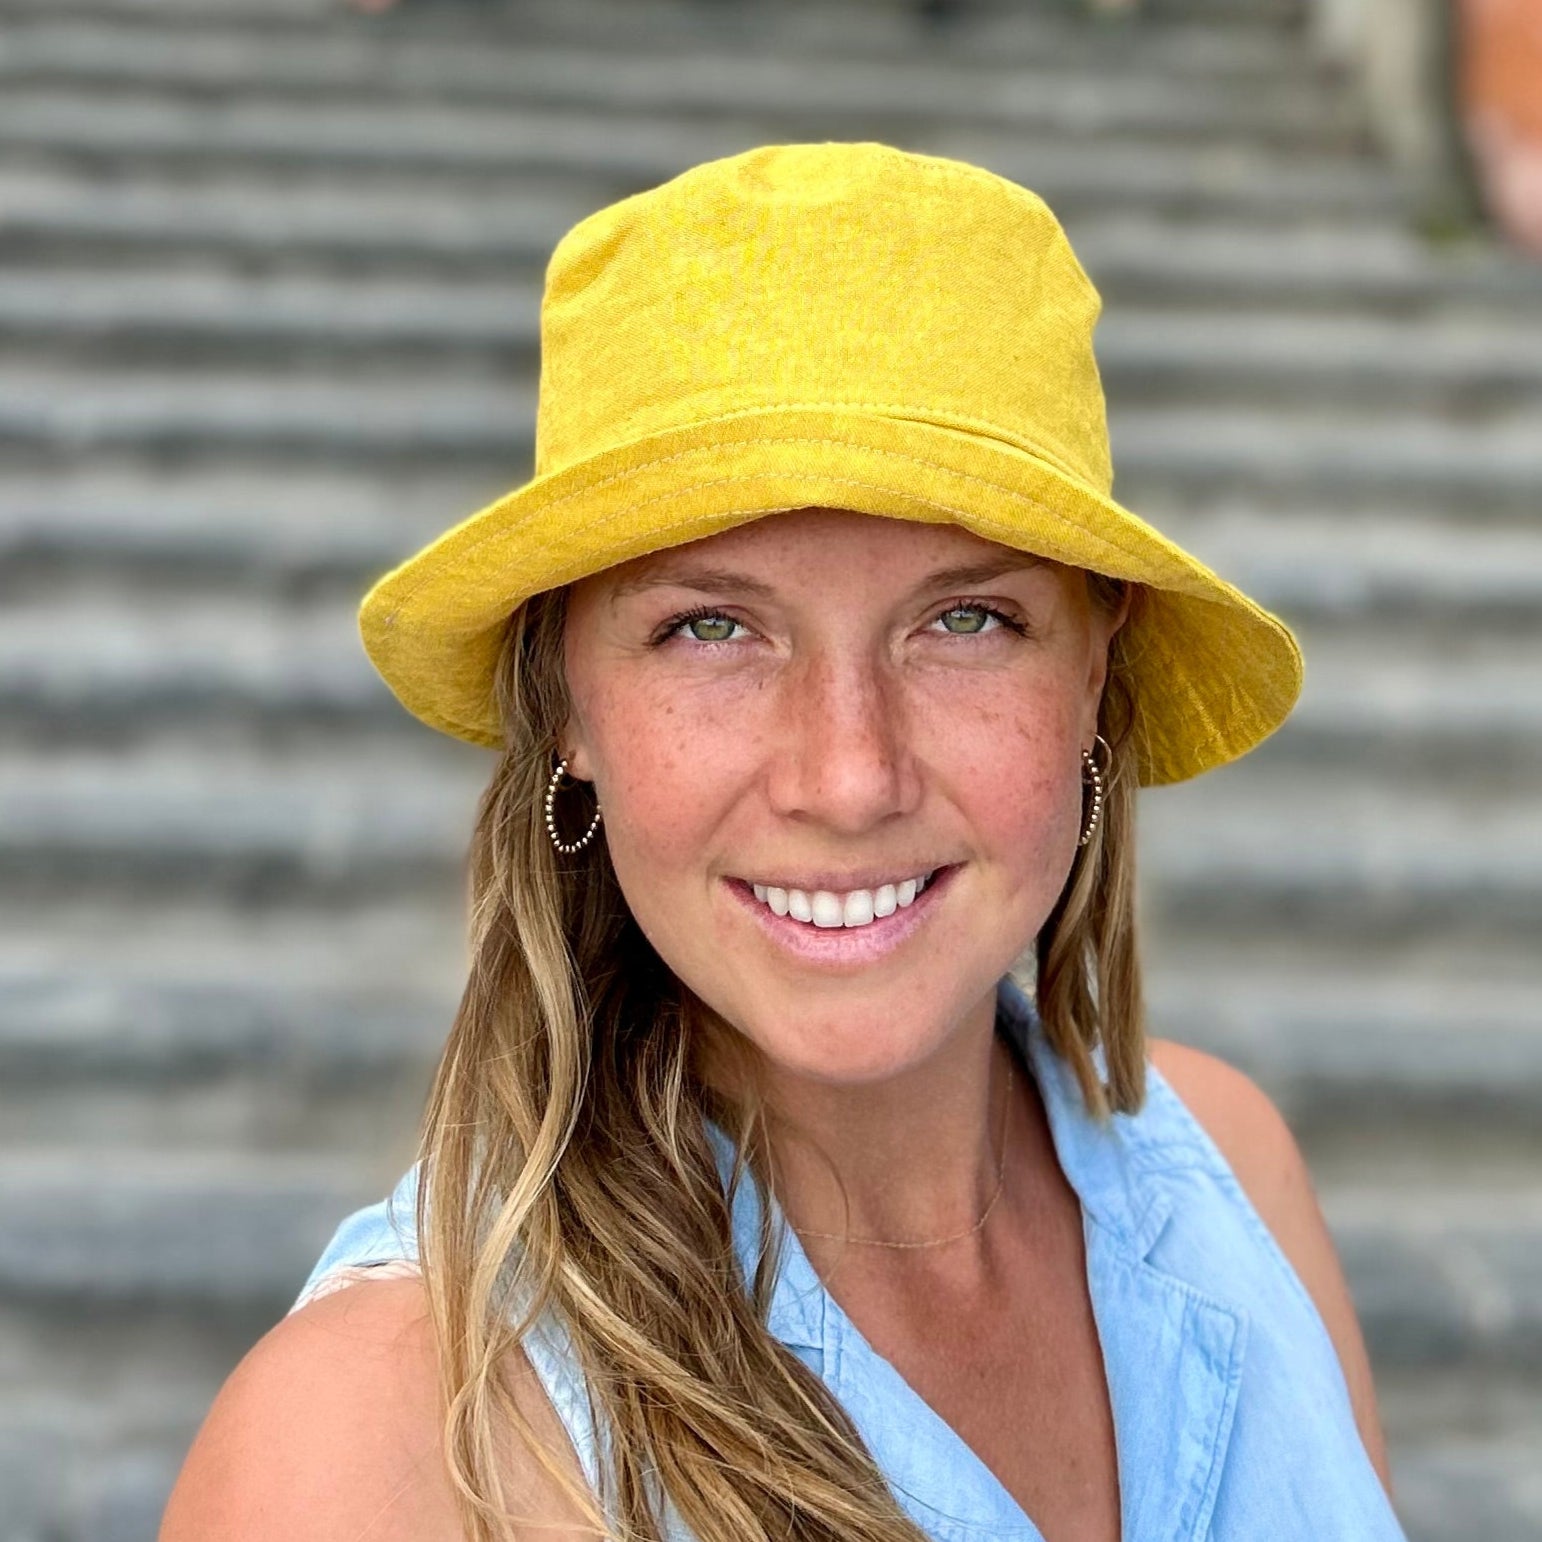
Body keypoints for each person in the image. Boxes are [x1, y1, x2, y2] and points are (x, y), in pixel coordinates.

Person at [159, 142, 1407, 1542]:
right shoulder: (369, 1449)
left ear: (1093, 670)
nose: (850, 776)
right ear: (565, 698)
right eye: (711, 627)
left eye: (965, 620)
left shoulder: (1233, 1176)